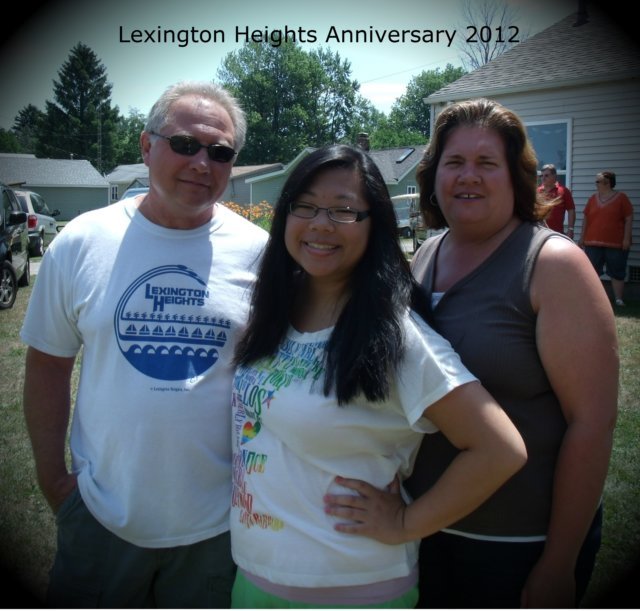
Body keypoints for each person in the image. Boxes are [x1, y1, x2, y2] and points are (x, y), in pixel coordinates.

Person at [230, 144, 527, 608]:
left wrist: (407, 522)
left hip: (352, 589)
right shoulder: (276, 312)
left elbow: (500, 449)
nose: (321, 224)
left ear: (375, 226)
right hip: (255, 579)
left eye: (344, 211)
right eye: (305, 206)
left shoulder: (395, 336)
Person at [351, 98, 615, 609]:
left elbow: (592, 424)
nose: (467, 175)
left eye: (486, 162)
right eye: (454, 162)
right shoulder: (428, 254)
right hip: (425, 533)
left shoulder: (554, 265)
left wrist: (559, 562)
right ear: (433, 176)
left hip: (518, 547)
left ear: (516, 176)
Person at [20, 81, 269, 608]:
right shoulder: (81, 242)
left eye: (220, 152)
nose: (201, 162)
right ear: (146, 146)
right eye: (185, 144)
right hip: (102, 517)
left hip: (217, 528)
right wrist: (55, 481)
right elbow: (47, 366)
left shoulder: (260, 254)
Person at [579, 170, 634, 307]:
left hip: (616, 243)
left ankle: (618, 299)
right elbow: (586, 218)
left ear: (607, 183)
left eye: (598, 181)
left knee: (617, 271)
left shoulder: (622, 198)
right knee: (591, 271)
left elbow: (629, 218)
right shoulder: (592, 198)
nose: (596, 184)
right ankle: (591, 297)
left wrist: (626, 239)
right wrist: (582, 237)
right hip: (592, 242)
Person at [537, 163, 576, 237]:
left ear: (554, 176)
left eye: (546, 175)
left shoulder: (563, 191)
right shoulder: (537, 192)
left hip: (557, 234)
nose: (543, 178)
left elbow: (571, 210)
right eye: (541, 176)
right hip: (539, 234)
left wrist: (570, 229)